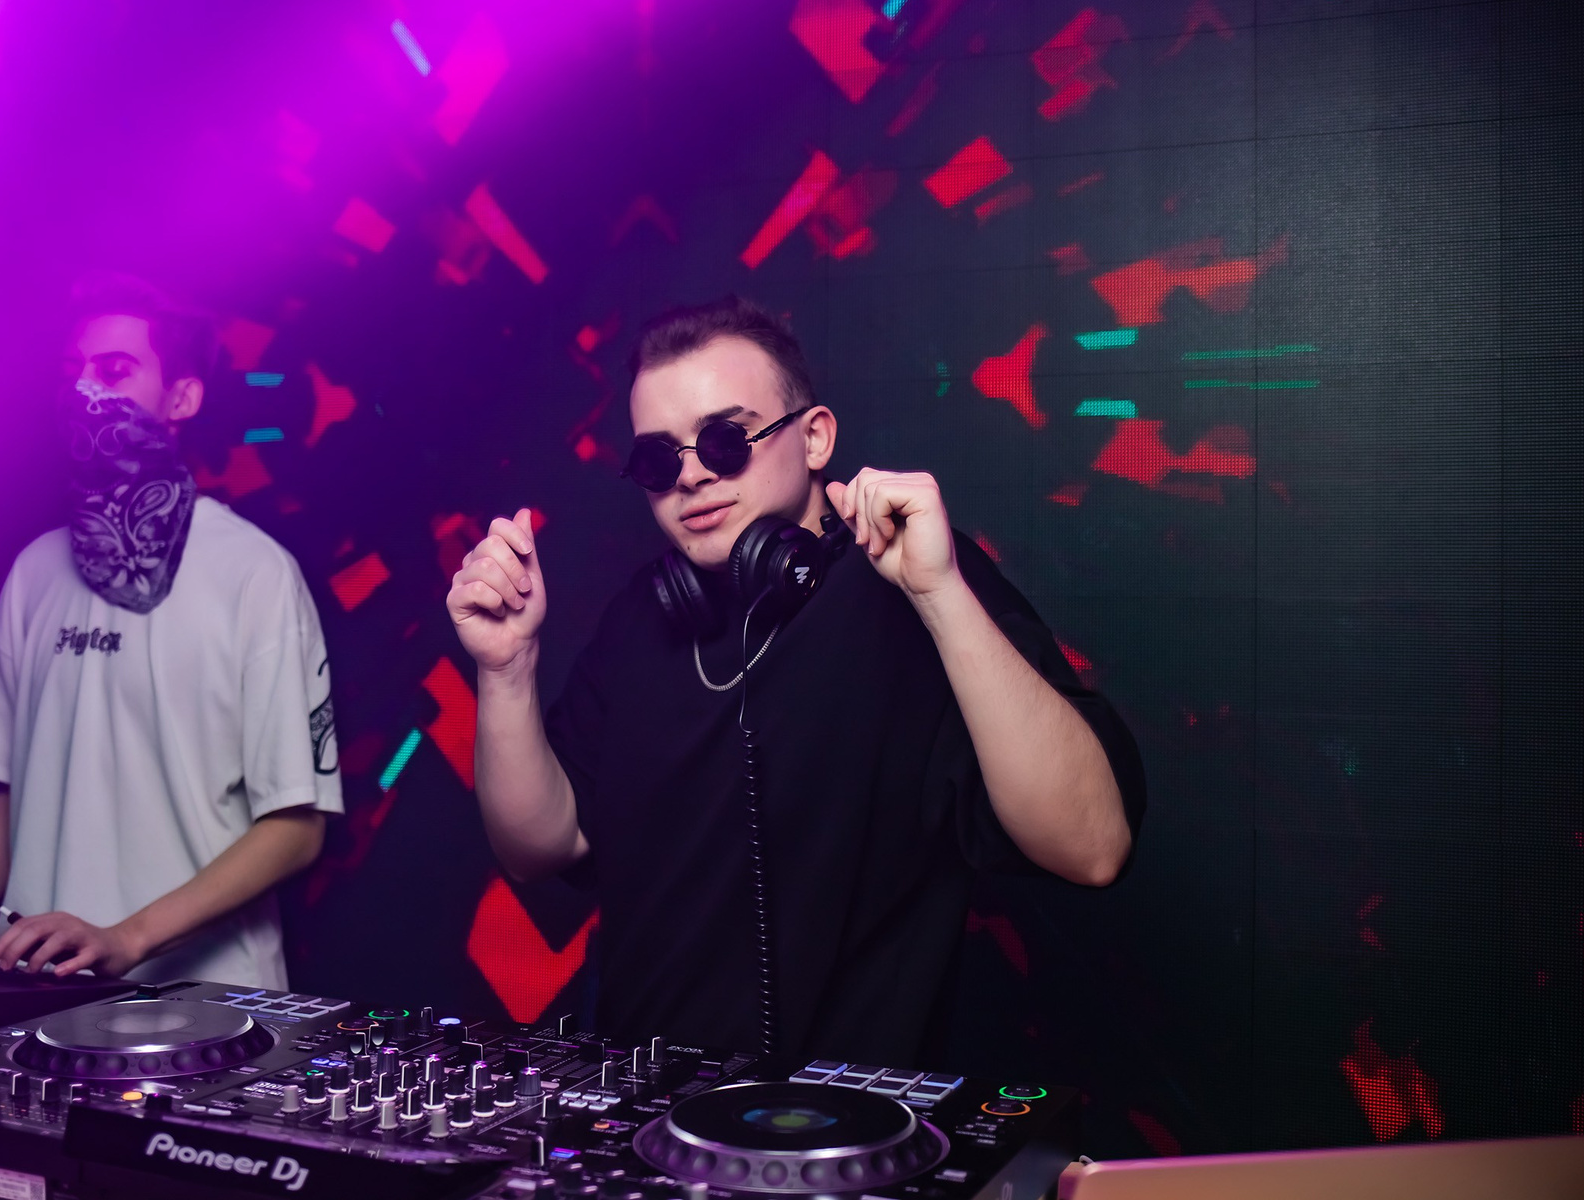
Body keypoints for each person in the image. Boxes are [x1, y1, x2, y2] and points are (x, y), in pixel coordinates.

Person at [448, 296, 1145, 1065]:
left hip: (844, 1118)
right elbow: (542, 847)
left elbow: (1092, 845)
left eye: (725, 440)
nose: (692, 476)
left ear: (814, 438)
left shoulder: (914, 585)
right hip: (645, 1111)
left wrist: (941, 595)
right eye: (658, 460)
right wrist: (505, 669)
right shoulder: (640, 618)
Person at [0, 274, 341, 988]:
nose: (84, 391)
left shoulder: (254, 573)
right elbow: (15, 804)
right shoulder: (33, 573)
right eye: (72, 371)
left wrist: (127, 938)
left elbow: (296, 828)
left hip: (207, 1008)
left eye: (114, 371)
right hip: (34, 1003)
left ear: (182, 399)